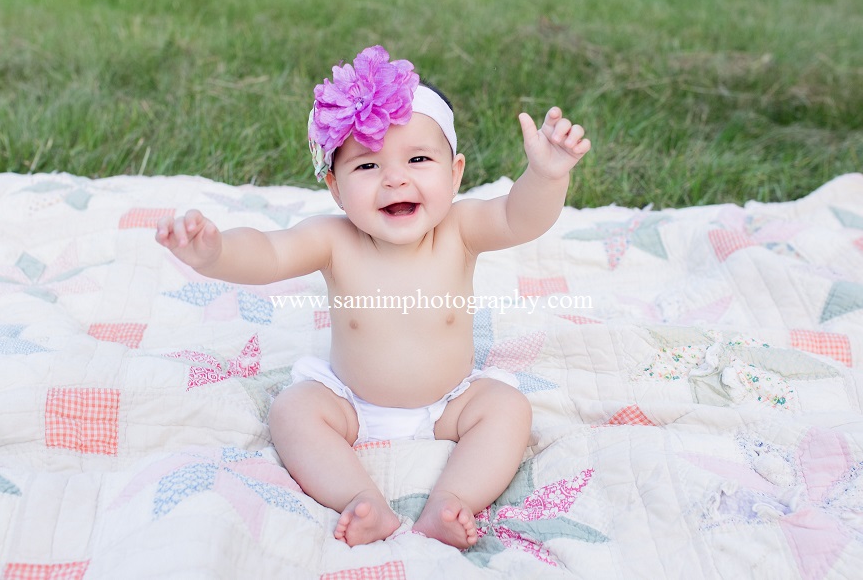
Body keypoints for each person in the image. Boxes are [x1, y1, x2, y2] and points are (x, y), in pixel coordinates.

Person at [155, 45, 591, 549]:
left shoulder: (461, 229)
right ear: (336, 188)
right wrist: (216, 252)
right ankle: (361, 500)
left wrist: (546, 175)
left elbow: (522, 217)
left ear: (455, 174)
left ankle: (453, 502)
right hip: (351, 402)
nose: (395, 178)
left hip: (452, 402)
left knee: (509, 409)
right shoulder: (333, 239)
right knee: (293, 411)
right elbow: (270, 253)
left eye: (419, 159)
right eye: (367, 166)